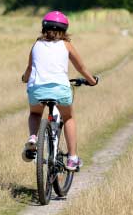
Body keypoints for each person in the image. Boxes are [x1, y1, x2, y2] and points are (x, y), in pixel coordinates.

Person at [21, 11, 98, 171]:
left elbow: (29, 68)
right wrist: (92, 81)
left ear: (44, 28)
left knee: (35, 113)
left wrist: (24, 78)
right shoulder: (66, 45)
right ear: (64, 29)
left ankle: (33, 137)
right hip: (60, 89)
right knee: (68, 117)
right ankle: (72, 158)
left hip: (37, 89)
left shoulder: (36, 44)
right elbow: (81, 67)